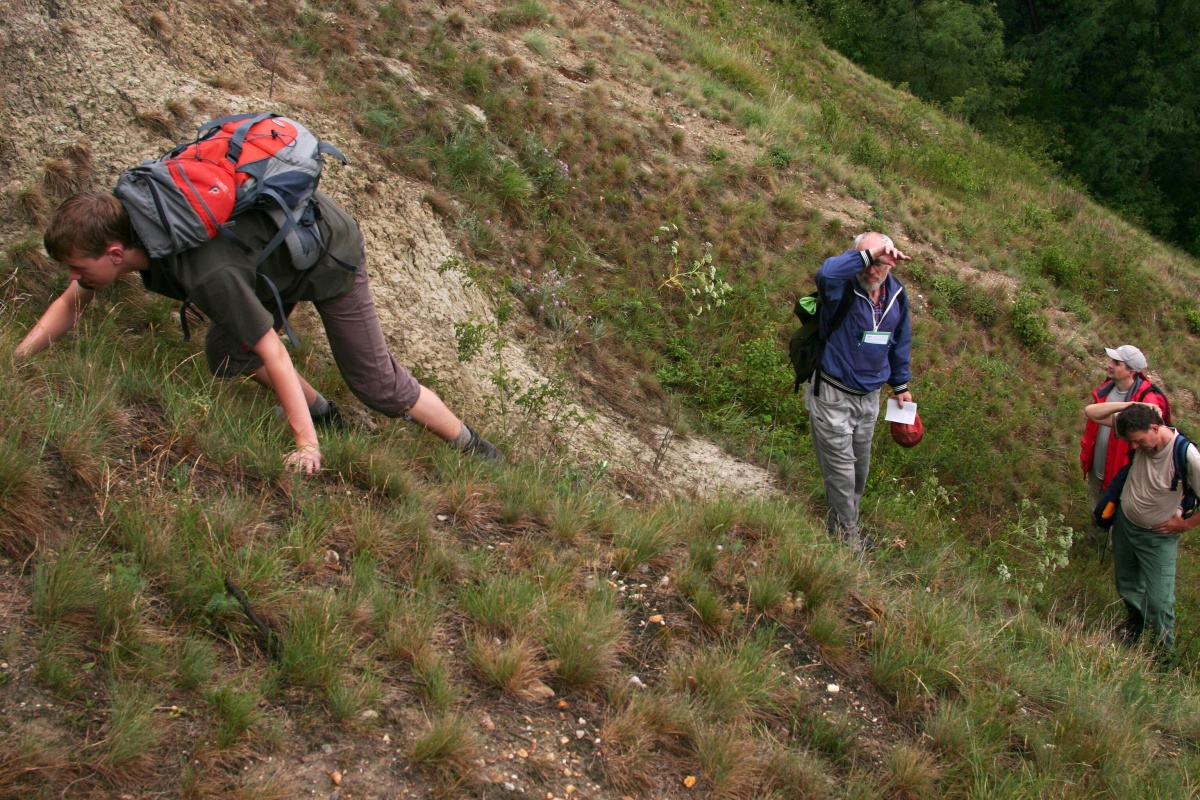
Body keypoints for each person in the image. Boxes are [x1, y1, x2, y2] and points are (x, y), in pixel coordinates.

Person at [15, 191, 503, 473]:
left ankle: (479, 453)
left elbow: (275, 351)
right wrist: (18, 360)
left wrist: (304, 446)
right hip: (269, 261)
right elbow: (72, 302)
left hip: (327, 253)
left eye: (79, 268)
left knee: (377, 385)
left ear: (115, 254)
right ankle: (329, 419)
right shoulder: (145, 230)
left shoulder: (201, 271)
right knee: (229, 353)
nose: (75, 279)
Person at [805, 231, 913, 552]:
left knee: (858, 472)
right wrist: (869, 252)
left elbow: (899, 342)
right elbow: (825, 272)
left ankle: (842, 527)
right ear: (857, 258)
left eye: (880, 263)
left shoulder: (897, 295)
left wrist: (901, 385)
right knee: (841, 474)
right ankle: (847, 543)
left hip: (869, 399)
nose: (872, 271)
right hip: (832, 395)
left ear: (892, 263)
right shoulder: (840, 288)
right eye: (868, 261)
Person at [1082, 401, 1200, 660]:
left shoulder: (1187, 455)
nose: (1134, 447)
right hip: (1125, 525)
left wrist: (1186, 524)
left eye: (1137, 441)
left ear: (1155, 428)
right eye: (1131, 442)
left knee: (1160, 602)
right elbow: (1092, 412)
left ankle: (1164, 657)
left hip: (1158, 537)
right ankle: (1136, 630)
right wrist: (1133, 404)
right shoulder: (1138, 426)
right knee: (1127, 584)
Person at [1080, 345, 1169, 544]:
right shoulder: (1108, 388)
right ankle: (1095, 537)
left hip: (1124, 469)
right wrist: (1087, 454)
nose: (1110, 365)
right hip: (1099, 462)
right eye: (1111, 361)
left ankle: (1116, 549)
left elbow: (1155, 440)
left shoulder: (1149, 400)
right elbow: (1093, 423)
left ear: (1131, 371)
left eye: (1116, 363)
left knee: (1119, 509)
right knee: (1096, 500)